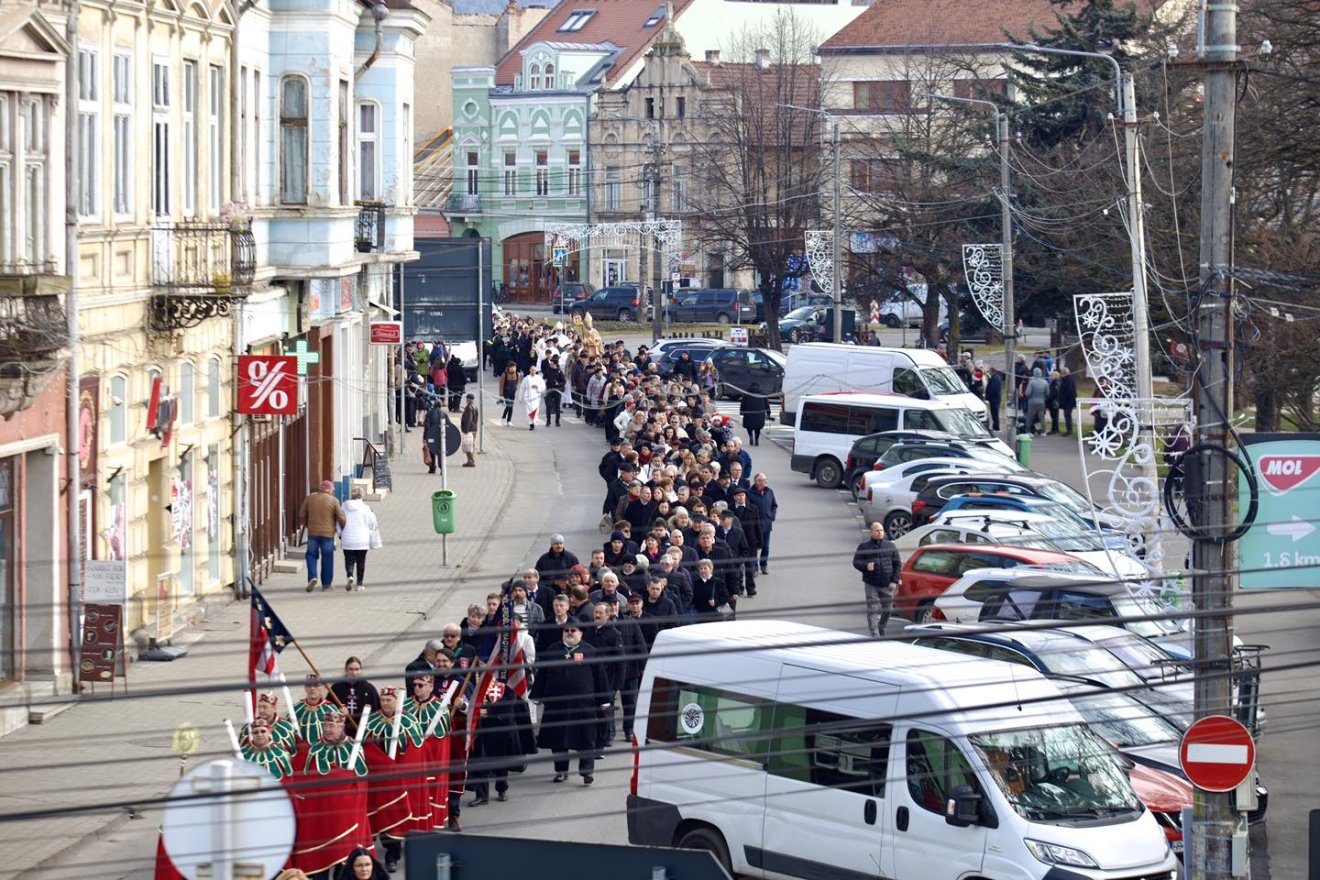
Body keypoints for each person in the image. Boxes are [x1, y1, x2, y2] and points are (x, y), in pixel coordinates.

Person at [289, 709, 369, 877]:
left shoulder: (354, 749)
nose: (327, 729)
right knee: (320, 862)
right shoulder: (315, 750)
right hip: (321, 818)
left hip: (345, 818)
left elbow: (361, 784)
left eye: (332, 725)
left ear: (341, 726)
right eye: (325, 725)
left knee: (345, 863)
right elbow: (307, 785)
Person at [529, 621, 610, 785]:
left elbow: (600, 677)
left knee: (586, 739)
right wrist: (536, 695)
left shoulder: (590, 651)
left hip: (583, 706)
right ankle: (561, 771)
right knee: (557, 740)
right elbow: (542, 675)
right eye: (567, 630)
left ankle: (586, 771)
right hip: (557, 706)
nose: (570, 633)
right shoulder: (552, 650)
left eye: (574, 630)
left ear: (581, 633)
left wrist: (604, 700)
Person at [360, 687, 423, 871]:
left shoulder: (409, 720)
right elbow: (365, 749)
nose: (385, 703)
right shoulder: (372, 721)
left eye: (389, 700)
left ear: (397, 701)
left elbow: (415, 751)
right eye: (383, 700)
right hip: (378, 779)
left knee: (396, 814)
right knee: (379, 813)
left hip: (401, 779)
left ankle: (392, 855)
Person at [467, 679, 537, 805]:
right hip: (481, 727)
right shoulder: (477, 683)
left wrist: (489, 710)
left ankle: (502, 789)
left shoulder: (508, 683)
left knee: (500, 762)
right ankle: (482, 796)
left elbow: (509, 702)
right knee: (481, 761)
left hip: (502, 726)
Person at [852, 522, 902, 637]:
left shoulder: (890, 546)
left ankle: (882, 626)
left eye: (881, 530)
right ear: (871, 532)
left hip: (887, 584)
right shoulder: (864, 547)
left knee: (888, 609)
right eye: (877, 531)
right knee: (873, 609)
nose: (880, 533)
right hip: (871, 584)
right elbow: (856, 562)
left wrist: (894, 581)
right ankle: (874, 633)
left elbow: (897, 564)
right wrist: (865, 566)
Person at [301, 480, 345, 592]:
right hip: (328, 534)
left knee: (311, 555)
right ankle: (326, 585)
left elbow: (302, 514)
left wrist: (308, 525)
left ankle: (312, 577)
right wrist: (342, 529)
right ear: (329, 489)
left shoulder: (310, 498)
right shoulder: (334, 500)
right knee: (327, 558)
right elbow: (341, 517)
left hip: (312, 533)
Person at [339, 487, 378, 592]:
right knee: (361, 561)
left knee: (349, 560)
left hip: (347, 538)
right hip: (362, 539)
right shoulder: (366, 508)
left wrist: (340, 534)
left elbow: (339, 522)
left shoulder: (344, 507)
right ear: (362, 496)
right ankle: (359, 584)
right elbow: (372, 523)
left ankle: (350, 575)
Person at [330, 656, 381, 734]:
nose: (354, 673)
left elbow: (376, 712)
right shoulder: (336, 688)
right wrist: (338, 712)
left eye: (357, 669)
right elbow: (329, 708)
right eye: (351, 669)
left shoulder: (369, 689)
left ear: (361, 670)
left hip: (362, 731)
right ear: (346, 670)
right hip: (341, 731)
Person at [739, 382, 770, 447]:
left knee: (749, 426)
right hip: (759, 413)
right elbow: (766, 404)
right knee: (757, 428)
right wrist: (768, 413)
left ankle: (750, 436)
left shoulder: (747, 393)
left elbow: (743, 403)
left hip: (749, 413)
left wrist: (741, 411)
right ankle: (756, 439)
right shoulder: (762, 394)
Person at [517, 364, 546, 430]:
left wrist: (538, 387)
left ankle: (534, 421)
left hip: (536, 397)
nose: (533, 371)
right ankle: (531, 423)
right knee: (529, 411)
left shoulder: (539, 378)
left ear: (536, 371)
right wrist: (520, 398)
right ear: (530, 370)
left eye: (534, 370)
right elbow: (522, 388)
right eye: (531, 370)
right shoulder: (526, 378)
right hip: (528, 398)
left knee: (535, 410)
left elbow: (543, 386)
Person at [422, 396, 446, 474]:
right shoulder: (444, 414)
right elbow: (448, 425)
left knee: (431, 451)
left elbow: (427, 427)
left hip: (431, 436)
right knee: (441, 452)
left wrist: (425, 437)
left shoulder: (429, 414)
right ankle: (442, 469)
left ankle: (432, 468)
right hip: (440, 436)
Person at [1024, 367, 1050, 436]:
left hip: (1032, 402)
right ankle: (1043, 432)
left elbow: (1027, 393)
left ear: (1034, 373)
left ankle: (1028, 431)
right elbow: (1047, 393)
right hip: (1041, 402)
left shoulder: (1031, 382)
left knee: (1030, 417)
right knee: (1042, 417)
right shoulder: (1045, 382)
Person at [1057, 367, 1078, 436]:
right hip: (1069, 401)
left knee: (1067, 416)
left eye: (1062, 374)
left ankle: (1069, 430)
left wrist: (1062, 401)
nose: (1060, 375)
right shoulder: (1069, 380)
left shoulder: (1067, 381)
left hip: (1068, 402)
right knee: (1067, 416)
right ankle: (1069, 430)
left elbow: (1067, 392)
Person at [460, 394, 479, 467]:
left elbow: (468, 419)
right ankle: (472, 460)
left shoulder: (468, 408)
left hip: (469, 429)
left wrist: (466, 430)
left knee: (468, 445)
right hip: (474, 429)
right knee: (472, 445)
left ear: (467, 399)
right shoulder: (475, 406)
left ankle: (470, 461)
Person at [985, 367, 1004, 433]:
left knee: (995, 413)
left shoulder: (995, 378)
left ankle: (996, 427)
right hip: (995, 398)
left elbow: (994, 389)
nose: (989, 372)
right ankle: (995, 426)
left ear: (992, 371)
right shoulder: (995, 378)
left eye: (989, 371)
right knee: (994, 413)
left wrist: (989, 395)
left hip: (994, 399)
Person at [1046, 370, 1062, 435]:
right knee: (1054, 416)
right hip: (1054, 401)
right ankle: (1055, 429)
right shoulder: (1056, 383)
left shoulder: (1055, 383)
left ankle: (1054, 429)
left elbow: (1053, 393)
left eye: (1051, 375)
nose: (1050, 377)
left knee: (1054, 416)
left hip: (1054, 402)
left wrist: (1047, 398)